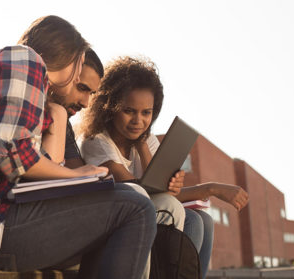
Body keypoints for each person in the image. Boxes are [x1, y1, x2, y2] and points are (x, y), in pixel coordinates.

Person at [0, 16, 157, 279]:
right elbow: (15, 156)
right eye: (79, 70)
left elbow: (36, 165)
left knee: (120, 213)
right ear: (71, 59)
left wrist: (56, 114)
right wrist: (78, 174)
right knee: (136, 206)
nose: (85, 98)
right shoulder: (26, 60)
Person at [79, 56, 249, 279]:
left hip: (148, 210)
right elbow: (137, 191)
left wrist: (209, 188)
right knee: (182, 212)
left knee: (202, 220)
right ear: (110, 107)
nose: (138, 121)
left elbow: (158, 190)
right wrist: (198, 189)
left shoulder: (145, 140)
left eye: (146, 113)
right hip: (111, 219)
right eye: (129, 111)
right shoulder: (96, 141)